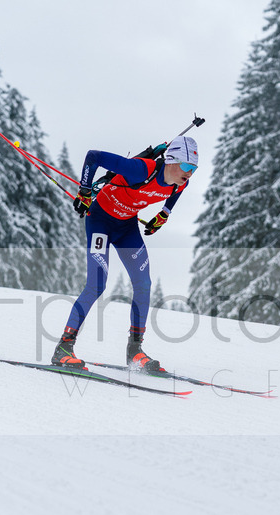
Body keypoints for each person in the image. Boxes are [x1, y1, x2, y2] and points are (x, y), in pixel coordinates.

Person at [51, 135, 199, 372]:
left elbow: (176, 194)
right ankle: (64, 348)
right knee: (96, 284)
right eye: (186, 166)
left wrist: (164, 214)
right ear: (171, 160)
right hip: (100, 221)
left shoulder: (180, 182)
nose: (190, 172)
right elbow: (94, 157)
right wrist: (85, 192)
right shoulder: (140, 170)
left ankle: (135, 351)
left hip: (127, 227)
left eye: (194, 168)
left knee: (144, 284)